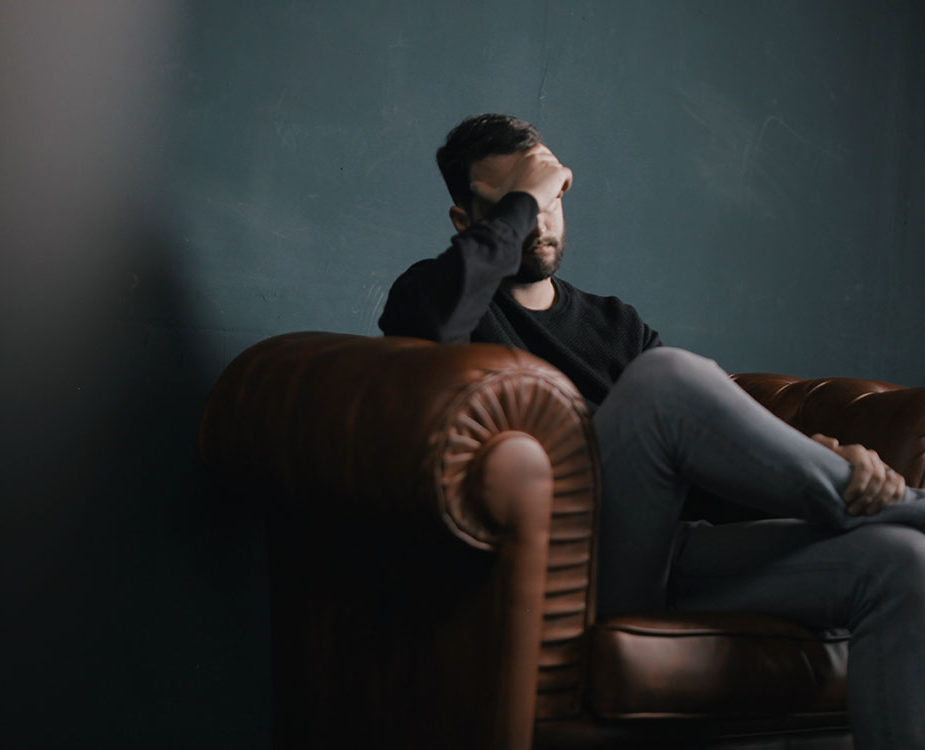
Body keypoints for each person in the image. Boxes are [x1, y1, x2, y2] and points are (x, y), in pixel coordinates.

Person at [378, 113, 925, 749]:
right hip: (567, 575)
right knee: (665, 380)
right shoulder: (434, 296)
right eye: (517, 202)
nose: (541, 220)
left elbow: (704, 448)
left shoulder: (614, 323)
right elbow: (431, 326)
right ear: (469, 222)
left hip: (668, 556)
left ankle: (885, 512)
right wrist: (528, 197)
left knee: (904, 565)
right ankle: (904, 508)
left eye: (552, 195)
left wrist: (815, 456)